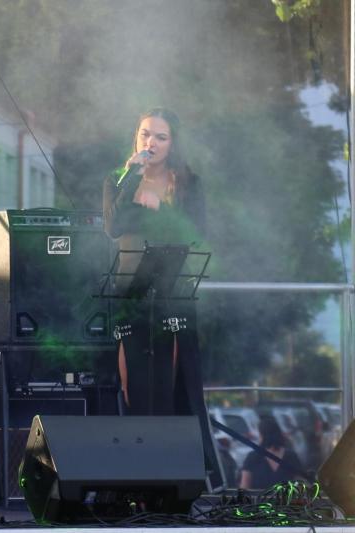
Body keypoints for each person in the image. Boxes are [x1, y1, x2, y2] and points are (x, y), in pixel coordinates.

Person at [102, 108, 220, 483]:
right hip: (130, 290)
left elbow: (196, 233)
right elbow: (113, 227)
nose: (150, 142)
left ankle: (177, 472)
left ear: (173, 143)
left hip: (172, 289)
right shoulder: (118, 179)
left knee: (172, 379)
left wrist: (162, 211)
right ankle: (133, 471)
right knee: (132, 381)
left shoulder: (188, 183)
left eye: (160, 137)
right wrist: (131, 180)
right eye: (144, 134)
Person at [240, 416, 303, 490]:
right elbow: (299, 485)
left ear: (262, 436)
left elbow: (244, 487)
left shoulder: (252, 457)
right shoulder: (291, 456)